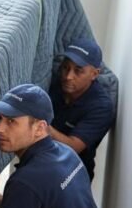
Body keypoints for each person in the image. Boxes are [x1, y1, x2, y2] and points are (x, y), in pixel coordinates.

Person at [48, 38, 115, 181]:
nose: (68, 76)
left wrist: (38, 124)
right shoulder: (53, 81)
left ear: (94, 74)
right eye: (66, 67)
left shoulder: (101, 107)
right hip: (42, 161)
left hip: (72, 175)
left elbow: (72, 147)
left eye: (78, 71)